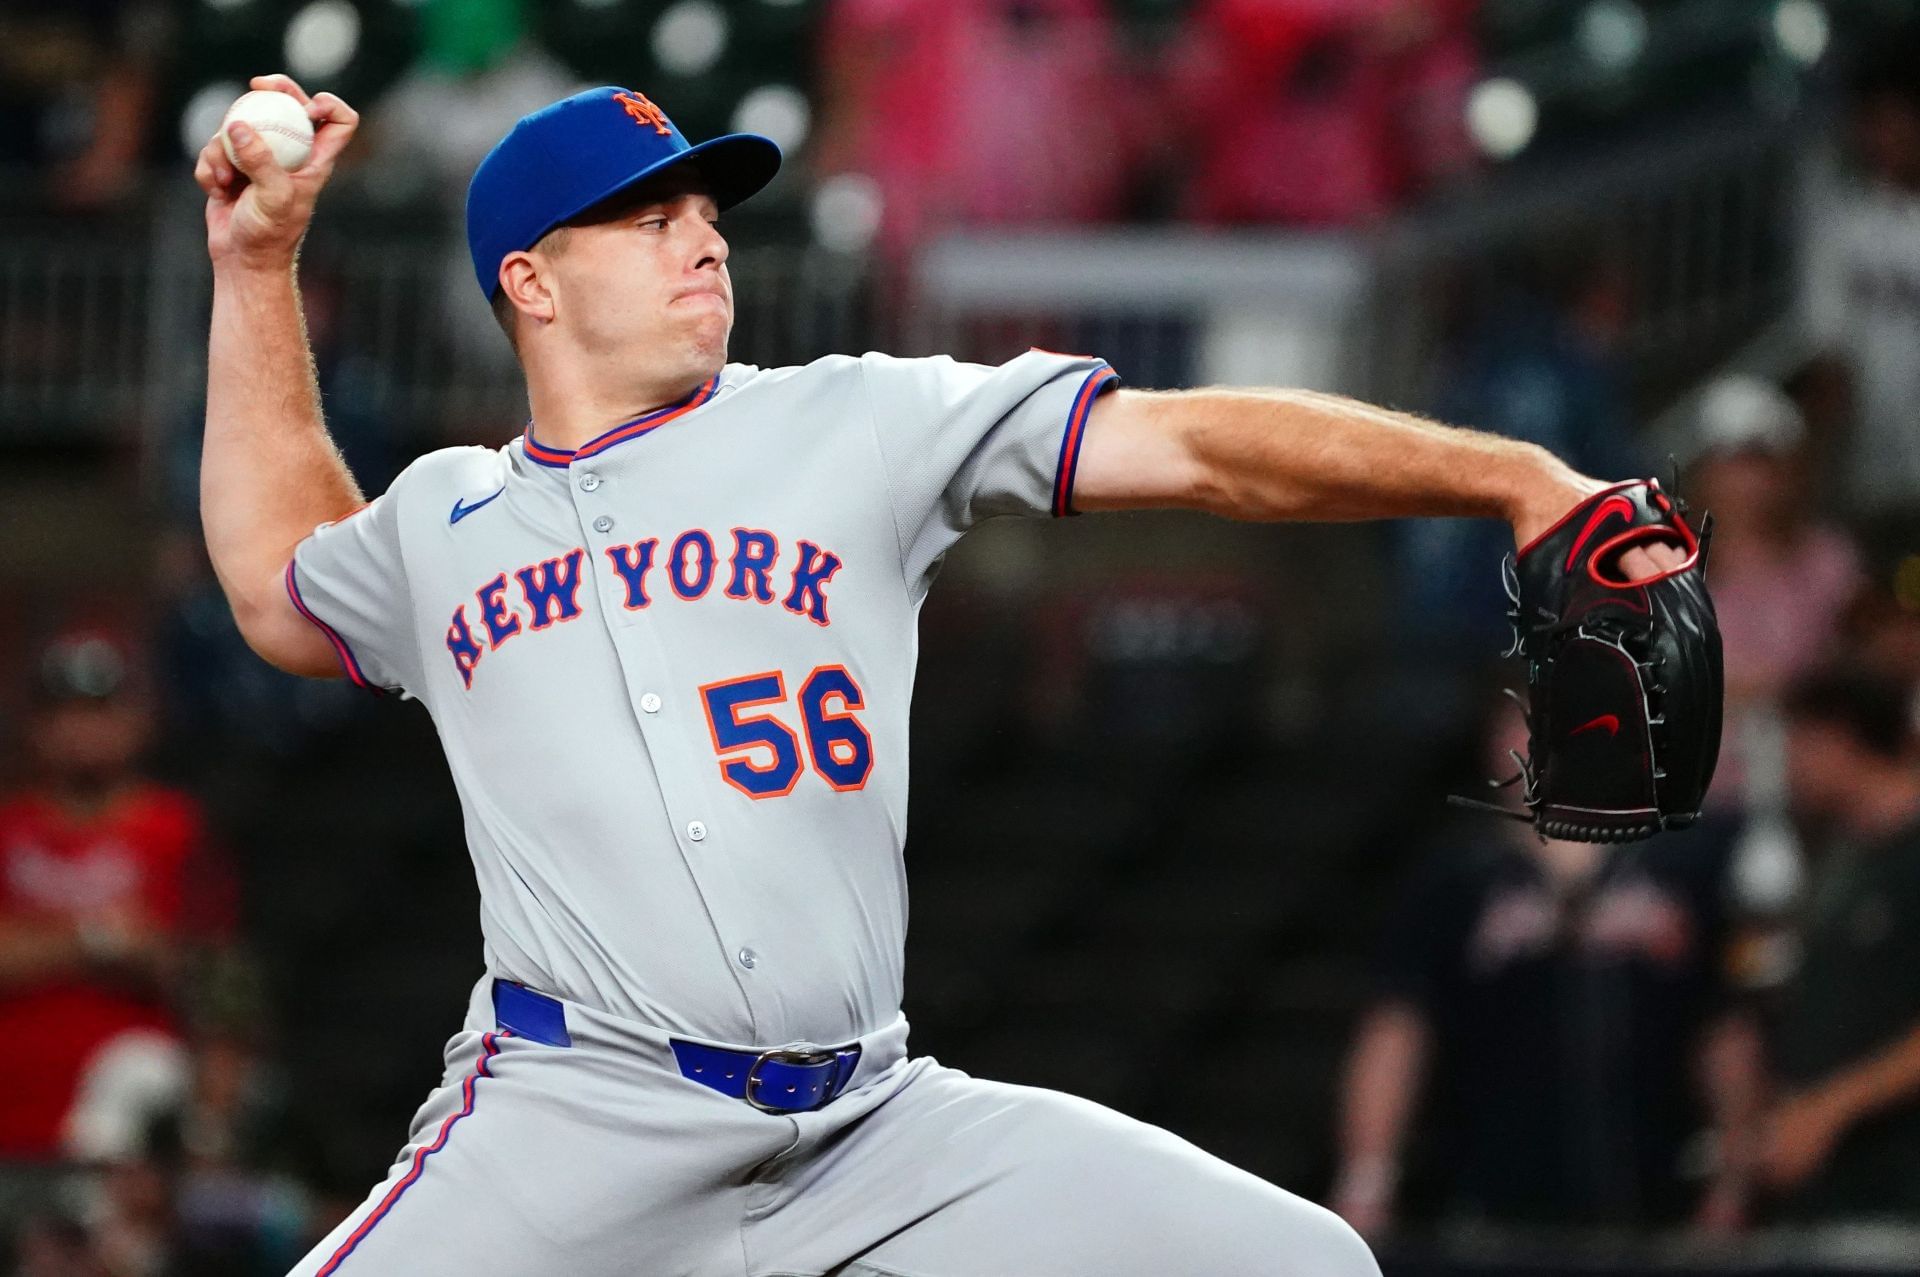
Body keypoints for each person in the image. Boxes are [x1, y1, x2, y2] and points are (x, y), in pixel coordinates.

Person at [190, 74, 1684, 1276]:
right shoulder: (449, 517)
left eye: (707, 208)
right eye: (648, 216)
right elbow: (276, 581)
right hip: (580, 1122)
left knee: (1306, 1264)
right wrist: (258, 264)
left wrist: (1510, 476)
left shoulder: (861, 421)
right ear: (529, 278)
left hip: (870, 1127)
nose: (704, 238)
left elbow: (1200, 445)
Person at [1333, 711, 1760, 1237]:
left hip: (1653, 1201)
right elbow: (1397, 1033)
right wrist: (1367, 1178)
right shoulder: (1457, 881)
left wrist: (1734, 1181)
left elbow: (1722, 1031)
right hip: (1490, 1201)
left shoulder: (1680, 871)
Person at [0, 628, 233, 1162]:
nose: (84, 730)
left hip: (132, 1121)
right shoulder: (8, 827)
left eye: (101, 710)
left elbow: (207, 970)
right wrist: (101, 938)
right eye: (65, 712)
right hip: (12, 1109)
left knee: (136, 1068)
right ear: (36, 727)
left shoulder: (175, 829)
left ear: (137, 721)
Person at [1760, 668, 1920, 1221]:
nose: (1788, 766)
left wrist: (1827, 1111)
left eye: (1799, 743)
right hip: (1826, 1193)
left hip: (1901, 1193)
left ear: (1840, 739)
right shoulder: (1836, 862)